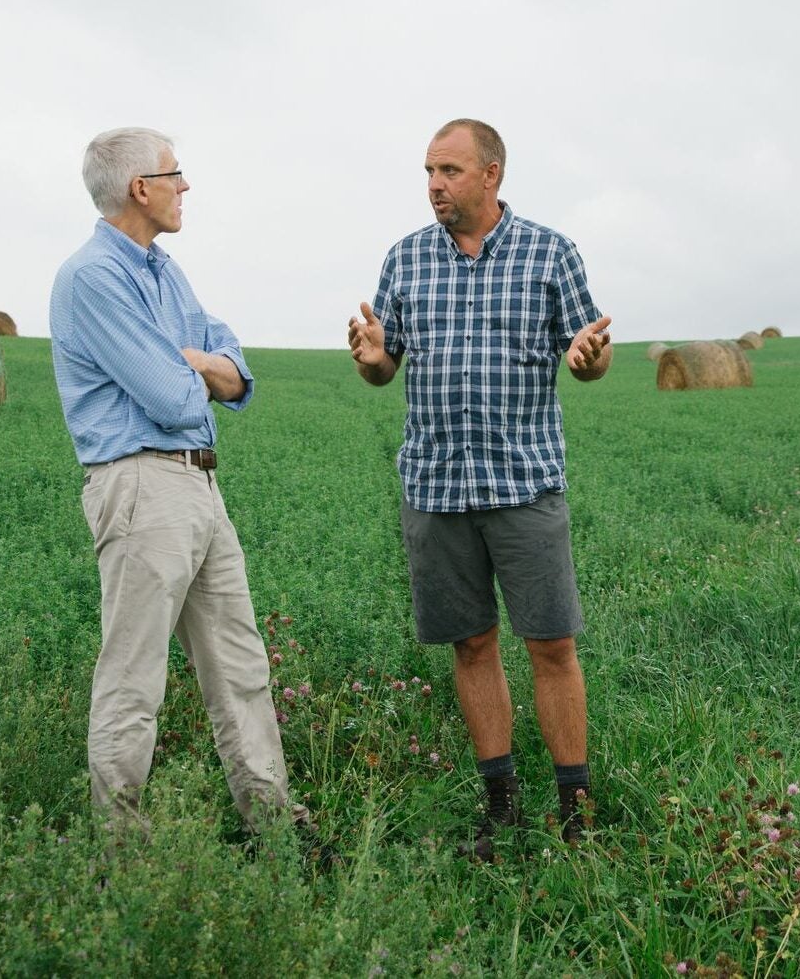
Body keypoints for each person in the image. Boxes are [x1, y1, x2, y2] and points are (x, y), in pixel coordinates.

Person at [347, 118, 612, 858]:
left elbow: (585, 357)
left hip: (523, 482)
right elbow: (382, 366)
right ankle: (499, 806)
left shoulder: (549, 252)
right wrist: (371, 356)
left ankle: (575, 807)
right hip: (434, 486)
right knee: (471, 644)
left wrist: (589, 357)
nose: (435, 184)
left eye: (450, 170)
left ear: (491, 174)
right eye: (428, 171)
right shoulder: (403, 260)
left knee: (551, 644)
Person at [51, 126, 293, 837]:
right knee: (134, 678)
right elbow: (175, 397)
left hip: (197, 487)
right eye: (175, 173)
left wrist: (198, 359)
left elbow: (236, 372)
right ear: (139, 187)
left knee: (241, 666)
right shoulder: (94, 277)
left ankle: (271, 827)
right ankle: (119, 851)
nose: (185, 186)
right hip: (140, 486)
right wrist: (196, 365)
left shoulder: (164, 271)